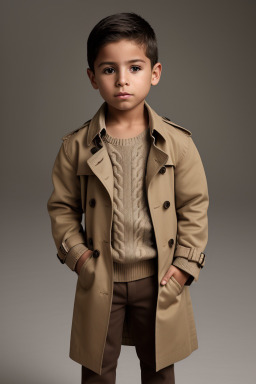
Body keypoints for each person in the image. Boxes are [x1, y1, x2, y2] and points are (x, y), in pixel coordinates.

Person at [47, 12, 209, 384]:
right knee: (97, 370)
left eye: (134, 67)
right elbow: (61, 207)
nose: (122, 80)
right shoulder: (76, 147)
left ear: (154, 73)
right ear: (92, 77)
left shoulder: (178, 144)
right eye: (108, 69)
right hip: (101, 275)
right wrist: (80, 257)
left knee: (159, 369)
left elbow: (195, 205)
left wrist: (185, 264)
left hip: (159, 277)